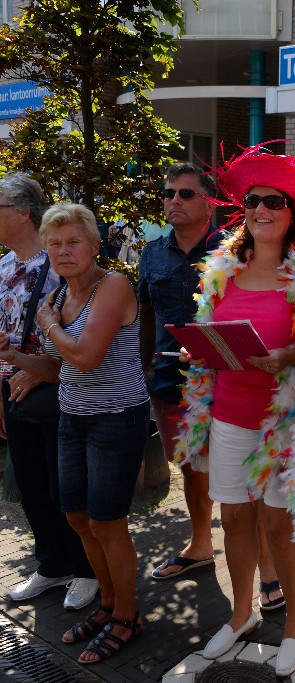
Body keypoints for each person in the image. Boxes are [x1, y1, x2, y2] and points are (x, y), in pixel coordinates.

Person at [175, 145, 295, 677]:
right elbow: (210, 328)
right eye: (252, 201)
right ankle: (242, 615)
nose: (261, 210)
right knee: (235, 519)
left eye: (274, 202)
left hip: (283, 421)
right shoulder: (224, 266)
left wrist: (293, 356)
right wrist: (196, 347)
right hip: (227, 414)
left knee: (279, 522)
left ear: (293, 213)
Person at [33, 204, 150, 664]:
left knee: (107, 521)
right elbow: (59, 366)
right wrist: (16, 361)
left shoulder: (113, 285)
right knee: (78, 518)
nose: (64, 251)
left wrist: (47, 326)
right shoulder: (60, 298)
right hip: (73, 416)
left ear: (95, 244)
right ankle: (107, 605)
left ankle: (127, 615)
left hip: (117, 417)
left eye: (73, 241)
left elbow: (84, 357)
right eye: (55, 243)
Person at [0, 174, 96, 611]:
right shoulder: (3, 267)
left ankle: (85, 570)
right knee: (33, 485)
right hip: (11, 390)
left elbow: (78, 335)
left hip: (55, 388)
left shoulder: (60, 263)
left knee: (66, 490)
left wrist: (40, 372)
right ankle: (52, 565)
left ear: (23, 213)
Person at [139, 163, 222, 580]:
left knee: (243, 471)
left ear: (209, 203)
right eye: (169, 193)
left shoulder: (234, 249)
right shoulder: (151, 252)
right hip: (171, 381)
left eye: (185, 194)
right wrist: (144, 370)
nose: (174, 200)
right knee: (192, 467)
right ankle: (201, 543)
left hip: (228, 382)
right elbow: (146, 315)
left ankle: (268, 571)